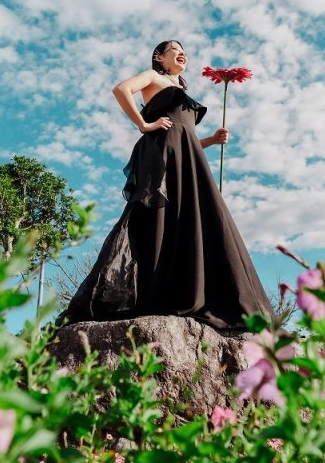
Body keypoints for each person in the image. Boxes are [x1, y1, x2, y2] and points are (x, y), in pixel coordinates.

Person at [59, 40, 275, 330]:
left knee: (193, 218)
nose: (180, 51)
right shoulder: (154, 78)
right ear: (159, 57)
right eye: (173, 48)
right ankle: (153, 291)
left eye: (182, 48)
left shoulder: (182, 91)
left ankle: (201, 292)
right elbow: (121, 89)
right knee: (157, 215)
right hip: (160, 157)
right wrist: (144, 124)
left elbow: (185, 139)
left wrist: (210, 140)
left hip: (188, 160)